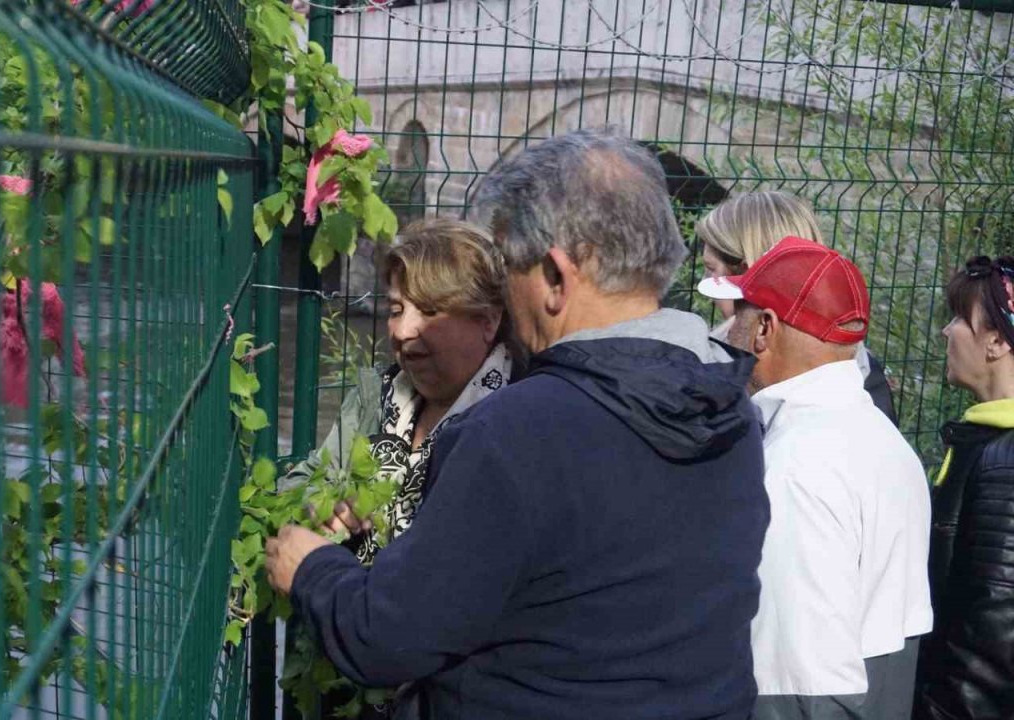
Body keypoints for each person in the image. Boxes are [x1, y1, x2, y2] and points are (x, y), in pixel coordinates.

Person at [265, 128, 769, 719]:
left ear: (555, 279)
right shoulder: (731, 406)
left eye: (508, 266)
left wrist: (313, 570)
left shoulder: (518, 431)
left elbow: (388, 637)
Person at [698, 236, 932, 719]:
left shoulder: (795, 468)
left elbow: (798, 687)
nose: (729, 327)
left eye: (740, 311)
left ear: (764, 328)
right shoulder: (887, 443)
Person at [281, 217, 518, 563]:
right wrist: (320, 504)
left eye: (430, 310)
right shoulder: (375, 395)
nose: (403, 330)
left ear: (488, 321)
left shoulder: (515, 419)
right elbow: (301, 483)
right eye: (396, 309)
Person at [697, 190, 899, 423]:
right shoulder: (860, 371)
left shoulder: (719, 368)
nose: (705, 283)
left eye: (711, 269)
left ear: (745, 271)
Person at [914, 255, 1014, 720]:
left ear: (995, 341)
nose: (946, 331)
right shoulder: (985, 442)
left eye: (959, 318)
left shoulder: (1003, 464)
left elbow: (993, 633)